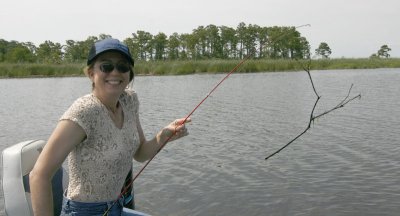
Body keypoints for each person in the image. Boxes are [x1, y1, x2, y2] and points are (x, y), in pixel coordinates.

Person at [29, 38, 191, 216]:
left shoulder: (129, 101)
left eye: (123, 67)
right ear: (91, 73)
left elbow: (141, 153)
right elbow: (39, 176)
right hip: (83, 211)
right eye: (106, 66)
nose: (115, 72)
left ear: (129, 74)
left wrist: (164, 135)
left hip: (116, 206)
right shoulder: (84, 111)